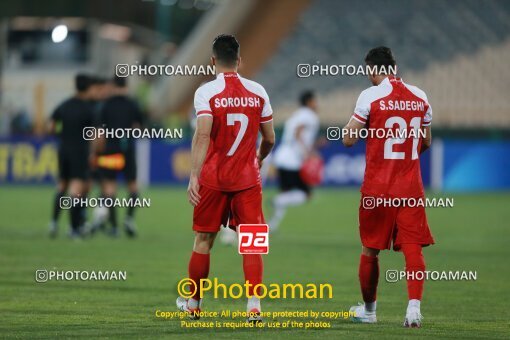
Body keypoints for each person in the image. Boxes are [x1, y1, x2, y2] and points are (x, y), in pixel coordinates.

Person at [175, 34, 275, 322]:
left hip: (214, 178)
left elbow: (203, 134)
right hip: (247, 180)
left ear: (213, 61)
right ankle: (254, 306)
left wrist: (194, 175)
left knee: (203, 240)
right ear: (240, 61)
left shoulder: (206, 92)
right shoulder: (258, 91)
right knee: (252, 243)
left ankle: (193, 304)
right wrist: (258, 158)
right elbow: (269, 138)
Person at [343, 46, 434, 328]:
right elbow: (426, 141)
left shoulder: (370, 96)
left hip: (377, 189)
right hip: (410, 189)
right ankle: (413, 310)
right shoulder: (420, 96)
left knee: (370, 249)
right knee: (413, 249)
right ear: (394, 67)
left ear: (372, 69)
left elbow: (348, 138)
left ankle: (369, 312)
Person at [92, 76, 143, 237]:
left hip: (110, 150)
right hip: (127, 149)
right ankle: (129, 219)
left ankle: (113, 227)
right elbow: (138, 128)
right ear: (126, 86)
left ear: (113, 85)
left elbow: (99, 134)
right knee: (133, 186)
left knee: (109, 188)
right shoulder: (133, 104)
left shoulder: (105, 106)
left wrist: (95, 153)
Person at [48, 74, 95, 238]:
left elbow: (52, 125)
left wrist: (61, 135)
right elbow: (95, 135)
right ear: (88, 88)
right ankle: (73, 228)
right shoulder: (88, 109)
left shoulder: (64, 105)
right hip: (79, 151)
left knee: (62, 185)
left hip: (64, 149)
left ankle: (53, 223)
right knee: (76, 189)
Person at [268, 90, 320, 232]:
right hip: (292, 161)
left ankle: (271, 226)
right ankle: (275, 202)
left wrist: (313, 147)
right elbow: (298, 132)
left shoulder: (296, 114)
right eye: (315, 101)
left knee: (286, 193)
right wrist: (307, 153)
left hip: (282, 157)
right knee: (305, 194)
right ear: (309, 102)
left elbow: (295, 134)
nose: (317, 104)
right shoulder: (309, 115)